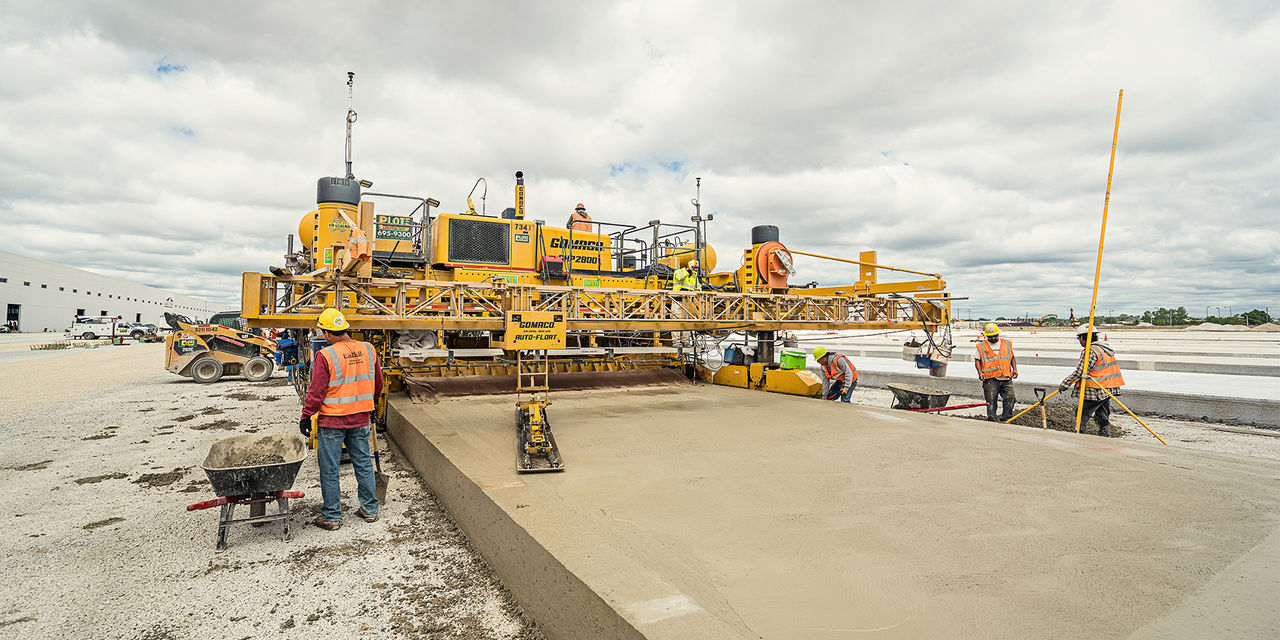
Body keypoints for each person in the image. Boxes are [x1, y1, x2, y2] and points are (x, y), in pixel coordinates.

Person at [300, 308, 382, 530]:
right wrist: (371, 404)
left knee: (330, 469)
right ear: (345, 329)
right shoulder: (369, 349)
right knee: (363, 464)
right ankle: (370, 510)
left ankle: (332, 516)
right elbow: (379, 384)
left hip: (332, 421)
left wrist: (306, 416)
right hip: (361, 418)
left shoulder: (326, 355)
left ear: (327, 333)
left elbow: (316, 392)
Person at [1059, 324, 1125, 437]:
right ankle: (1105, 434)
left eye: (1079, 338)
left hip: (1096, 389)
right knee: (1102, 412)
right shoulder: (1104, 348)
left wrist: (1065, 384)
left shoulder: (1090, 351)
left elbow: (1080, 372)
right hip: (1107, 388)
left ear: (1083, 337)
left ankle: (1079, 434)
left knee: (1081, 413)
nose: (1079, 341)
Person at [974, 323, 1017, 421]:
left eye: (995, 336)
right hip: (990, 378)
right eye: (990, 336)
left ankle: (1006, 418)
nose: (993, 338)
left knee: (1010, 398)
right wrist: (980, 373)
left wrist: (1015, 369)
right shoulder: (981, 346)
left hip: (1006, 376)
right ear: (986, 336)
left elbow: (1012, 358)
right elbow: (977, 360)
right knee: (991, 401)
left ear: (998, 334)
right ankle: (992, 420)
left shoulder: (1007, 344)